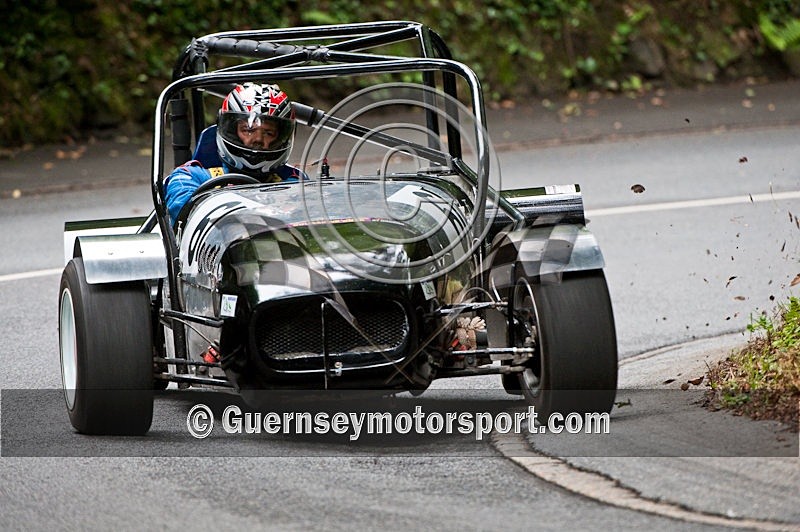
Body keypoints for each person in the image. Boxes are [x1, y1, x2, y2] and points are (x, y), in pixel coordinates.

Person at [164, 82, 307, 221]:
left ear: (280, 138)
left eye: (268, 133)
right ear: (232, 131)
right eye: (249, 130)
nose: (258, 139)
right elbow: (181, 209)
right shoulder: (190, 177)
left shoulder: (294, 181)